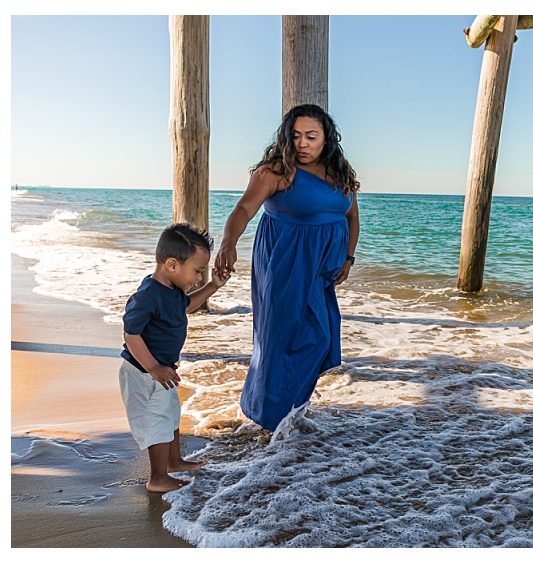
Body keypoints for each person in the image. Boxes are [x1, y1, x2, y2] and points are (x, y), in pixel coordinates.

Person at [213, 103, 361, 433]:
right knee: (280, 336)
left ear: (327, 138)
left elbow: (352, 217)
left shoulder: (339, 171)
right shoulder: (276, 171)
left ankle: (292, 407)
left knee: (319, 337)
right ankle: (269, 418)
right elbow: (244, 209)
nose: (302, 144)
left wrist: (348, 258)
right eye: (295, 136)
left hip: (321, 268)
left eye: (311, 136)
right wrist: (228, 242)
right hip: (285, 260)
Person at [120, 223, 230, 492]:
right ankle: (157, 478)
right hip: (143, 373)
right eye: (197, 272)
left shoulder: (172, 291)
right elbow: (131, 335)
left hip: (161, 370)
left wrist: (214, 286)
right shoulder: (147, 296)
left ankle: (173, 461)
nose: (197, 278)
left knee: (169, 416)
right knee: (156, 422)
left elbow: (186, 306)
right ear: (172, 264)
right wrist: (154, 367)